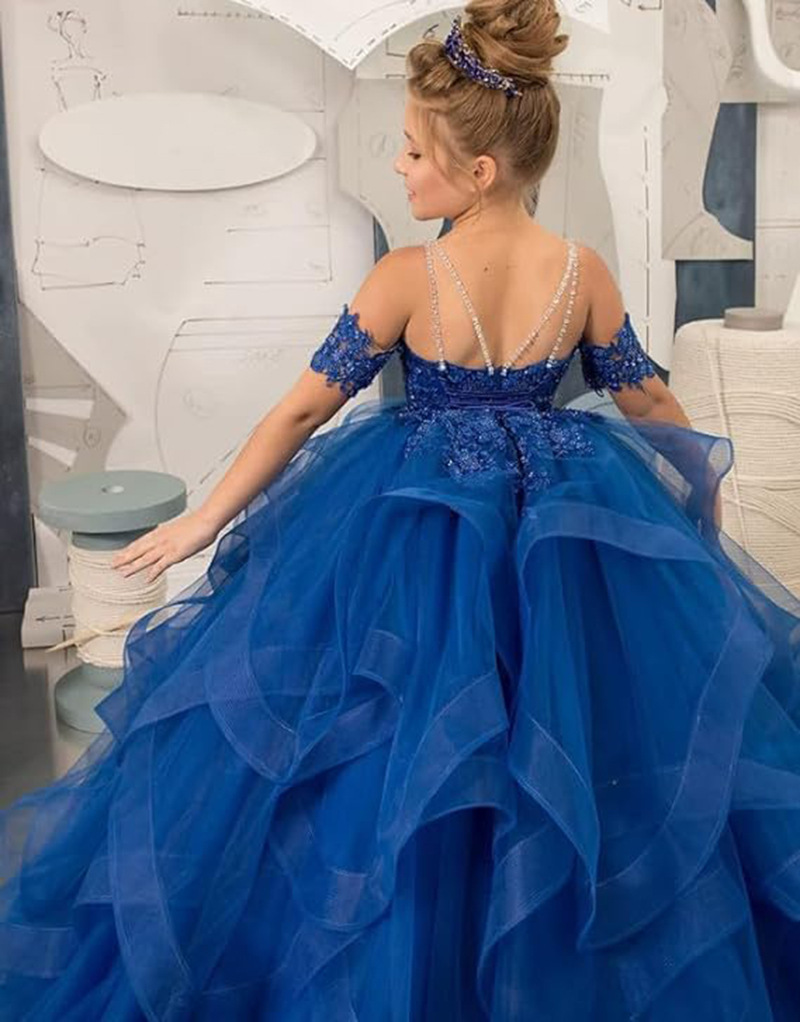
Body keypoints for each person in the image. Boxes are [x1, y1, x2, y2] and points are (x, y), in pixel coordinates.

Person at [2, 2, 799, 1018]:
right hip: (561, 527)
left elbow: (302, 410)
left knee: (391, 735)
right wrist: (700, 497)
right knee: (568, 728)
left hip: (419, 526)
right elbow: (645, 400)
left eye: (416, 151)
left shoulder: (406, 278)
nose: (400, 167)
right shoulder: (581, 273)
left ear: (479, 170)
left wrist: (205, 520)